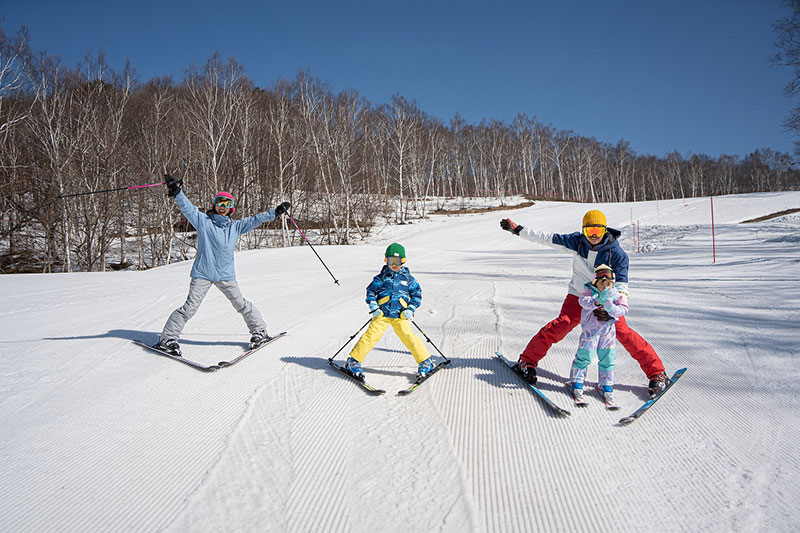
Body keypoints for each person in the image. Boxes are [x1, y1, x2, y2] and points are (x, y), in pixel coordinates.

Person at [500, 209, 671, 398]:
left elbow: (622, 286)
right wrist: (519, 230)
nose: (594, 236)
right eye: (590, 232)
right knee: (562, 324)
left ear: (605, 230)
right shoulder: (577, 242)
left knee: (623, 332)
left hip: (607, 299)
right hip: (579, 295)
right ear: (584, 231)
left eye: (598, 231)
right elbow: (547, 238)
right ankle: (527, 362)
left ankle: (657, 373)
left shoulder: (617, 254)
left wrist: (613, 310)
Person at [154, 174, 291, 356]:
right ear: (214, 205)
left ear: (231, 208)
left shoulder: (235, 226)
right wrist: (177, 192)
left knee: (241, 304)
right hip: (203, 273)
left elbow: (255, 220)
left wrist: (275, 213)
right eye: (219, 203)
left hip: (226, 275)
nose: (222, 207)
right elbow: (188, 209)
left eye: (226, 204)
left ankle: (260, 332)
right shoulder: (203, 222)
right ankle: (167, 339)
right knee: (189, 308)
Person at [344, 243, 434, 381]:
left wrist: (411, 308)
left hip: (401, 315)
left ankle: (425, 361)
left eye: (397, 261)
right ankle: (354, 360)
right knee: (370, 336)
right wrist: (374, 306)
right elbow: (371, 292)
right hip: (382, 314)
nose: (394, 264)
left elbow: (417, 294)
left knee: (409, 337)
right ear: (386, 260)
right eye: (390, 261)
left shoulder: (408, 279)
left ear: (403, 261)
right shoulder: (381, 278)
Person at [569, 264, 628, 403]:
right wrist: (598, 301)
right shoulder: (589, 292)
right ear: (596, 282)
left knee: (608, 358)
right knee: (585, 355)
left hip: (608, 331)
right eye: (603, 283)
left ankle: (606, 384)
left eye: (610, 283)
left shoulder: (615, 294)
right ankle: (577, 381)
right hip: (591, 331)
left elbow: (624, 309)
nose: (607, 286)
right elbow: (583, 301)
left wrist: (612, 308)